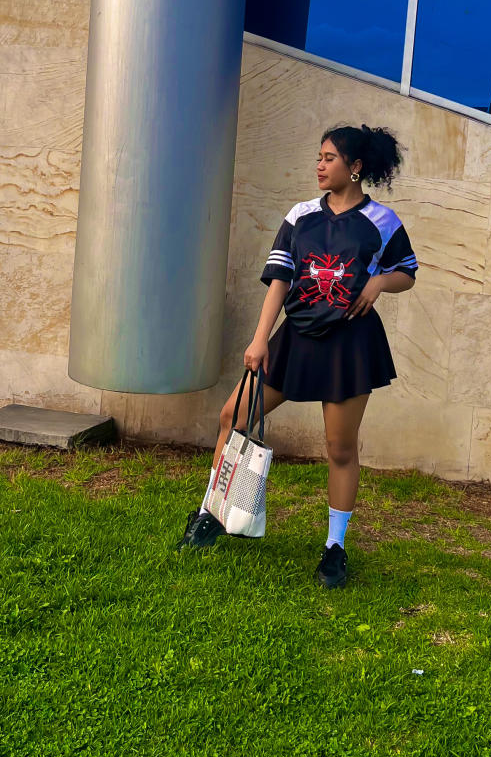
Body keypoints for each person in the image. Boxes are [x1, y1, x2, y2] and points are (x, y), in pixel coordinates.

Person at [177, 123, 418, 588]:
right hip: (295, 339)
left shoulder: (383, 221)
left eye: (329, 158)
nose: (320, 165)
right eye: (319, 157)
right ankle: (213, 512)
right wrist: (260, 338)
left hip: (350, 345)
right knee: (232, 417)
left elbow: (406, 272)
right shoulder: (301, 215)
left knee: (339, 448)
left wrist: (378, 282)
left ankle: (334, 548)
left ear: (356, 167)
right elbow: (280, 279)